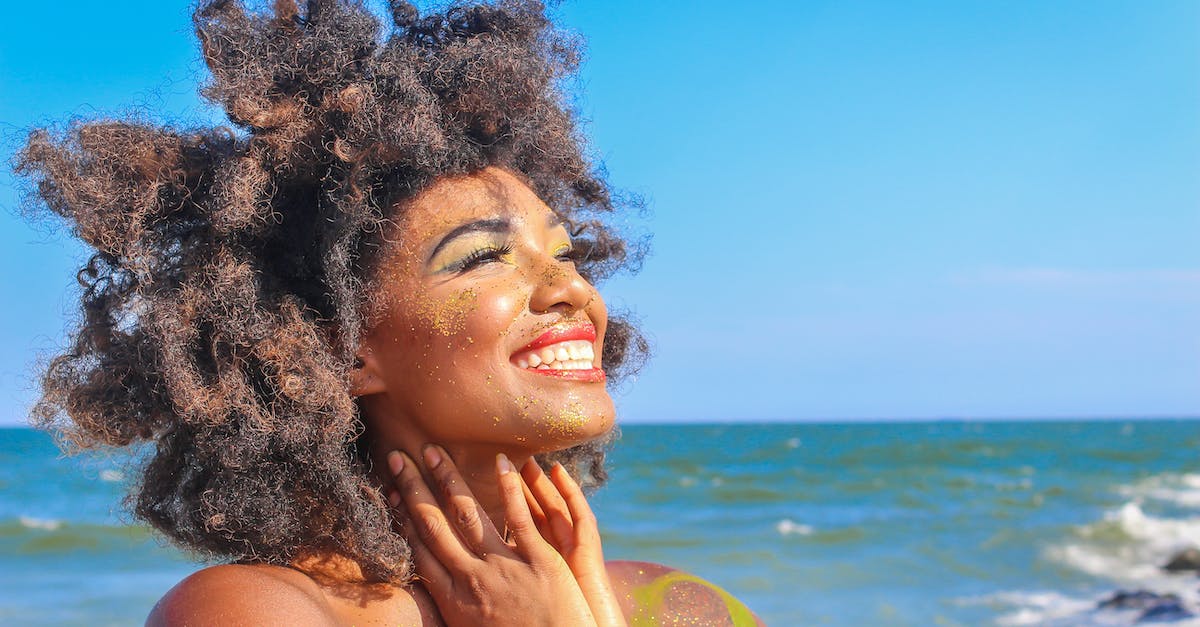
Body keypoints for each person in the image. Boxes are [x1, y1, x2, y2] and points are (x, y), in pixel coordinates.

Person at [17, 1, 762, 624]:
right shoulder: (258, 610)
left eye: (564, 253)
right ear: (338, 350)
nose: (570, 289)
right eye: (480, 257)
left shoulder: (673, 605)